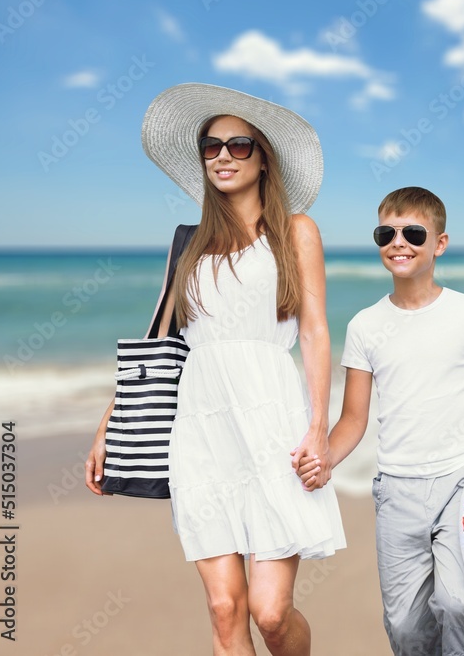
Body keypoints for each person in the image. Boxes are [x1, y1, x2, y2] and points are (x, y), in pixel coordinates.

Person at [85, 83, 346, 655]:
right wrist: (109, 427)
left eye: (238, 145)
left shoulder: (296, 231)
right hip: (199, 432)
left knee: (271, 612)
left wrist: (318, 428)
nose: (223, 156)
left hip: (274, 425)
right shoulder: (188, 242)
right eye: (211, 145)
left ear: (264, 156)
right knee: (225, 608)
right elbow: (160, 342)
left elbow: (315, 332)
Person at [294, 186, 464, 656]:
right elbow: (353, 419)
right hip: (396, 490)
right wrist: (324, 458)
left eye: (413, 233)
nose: (398, 242)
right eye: (387, 233)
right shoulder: (364, 326)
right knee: (405, 625)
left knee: (460, 602)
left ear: (439, 243)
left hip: (462, 484)